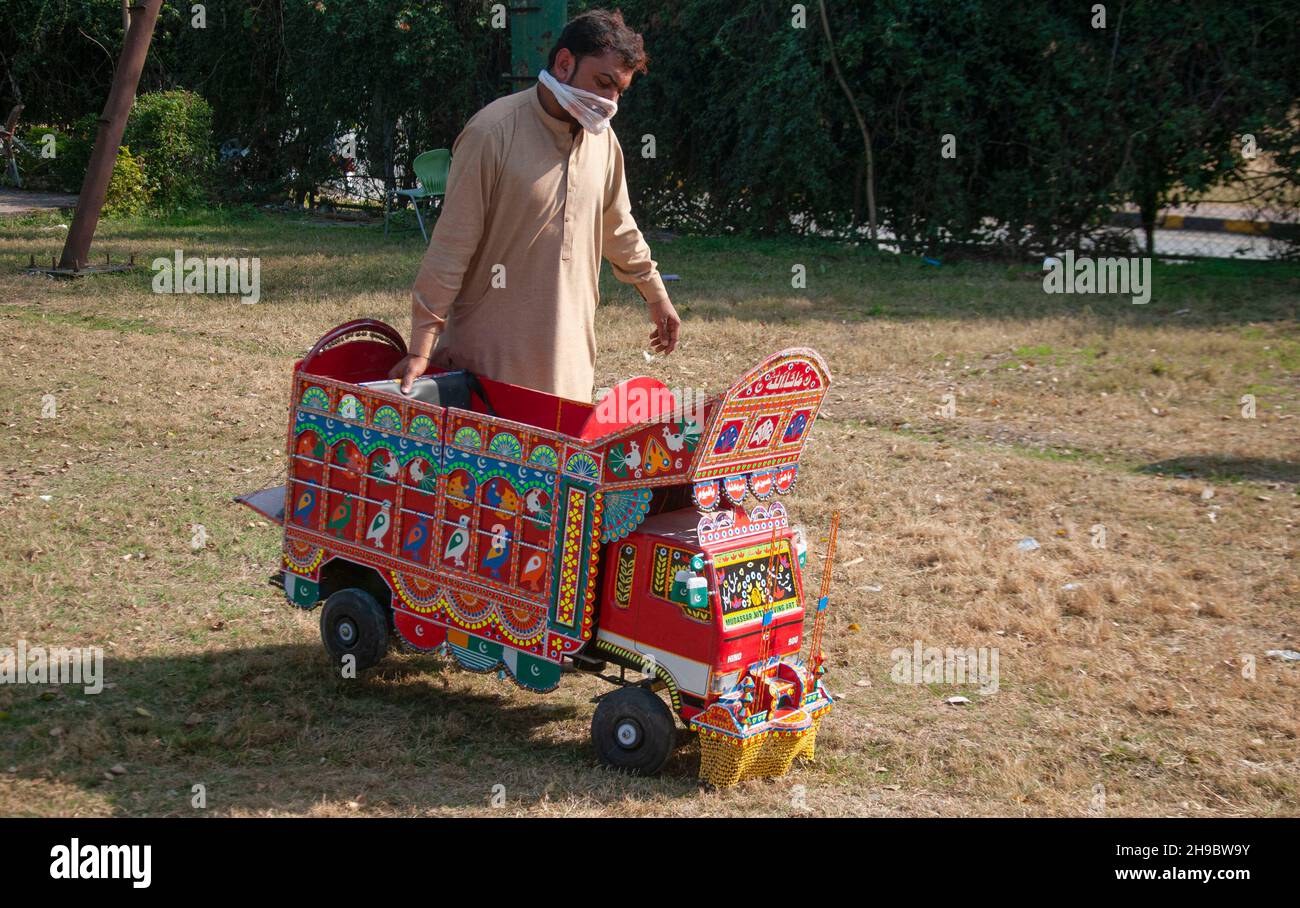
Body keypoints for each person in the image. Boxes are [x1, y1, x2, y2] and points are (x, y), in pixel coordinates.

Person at [389, 8, 679, 403]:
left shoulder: (604, 143)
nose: (610, 101)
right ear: (564, 64)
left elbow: (618, 227)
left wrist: (656, 295)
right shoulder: (492, 132)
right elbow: (451, 248)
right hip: (490, 365)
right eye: (603, 82)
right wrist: (421, 348)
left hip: (570, 365)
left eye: (620, 91)